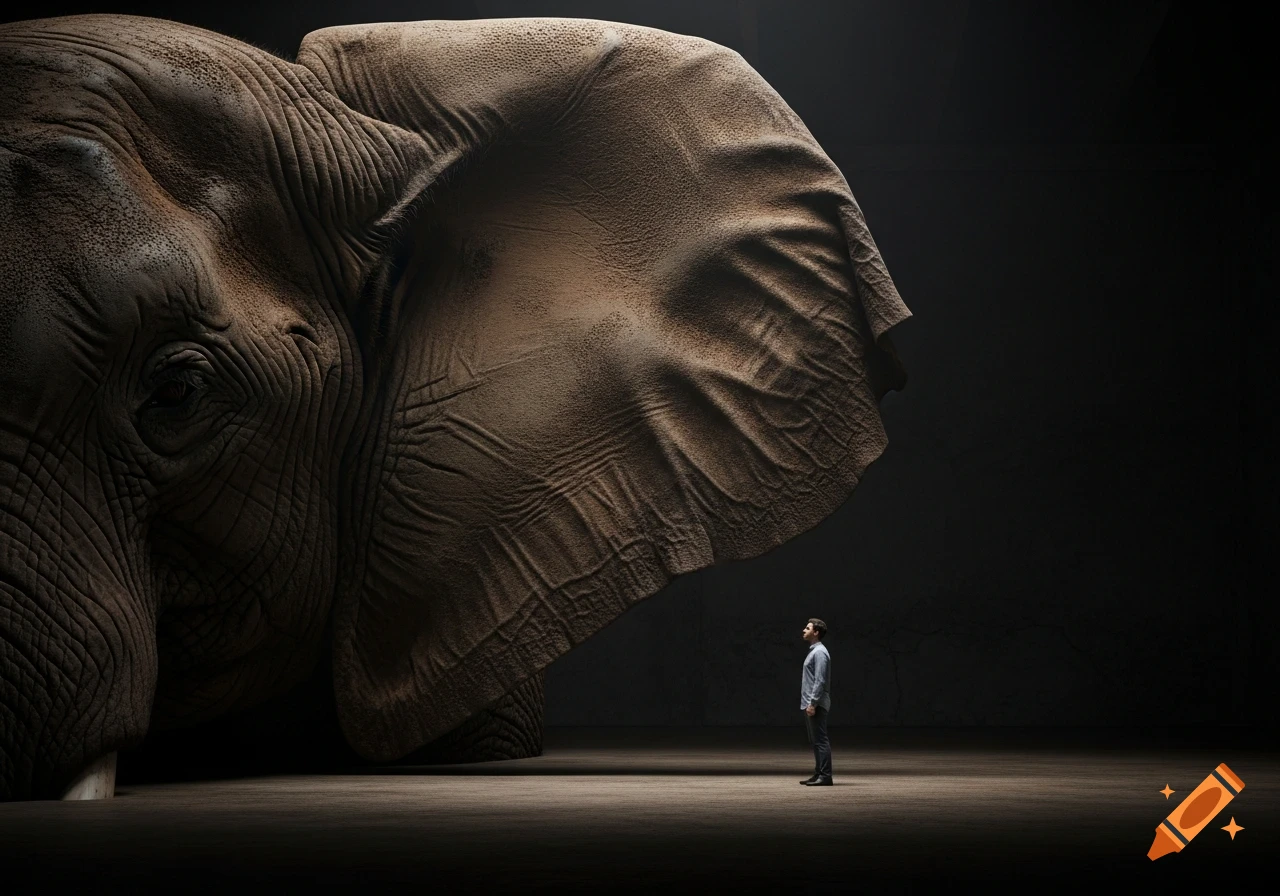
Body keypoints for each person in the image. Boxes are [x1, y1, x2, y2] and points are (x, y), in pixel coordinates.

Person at [800, 618, 832, 785]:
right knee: (816, 741)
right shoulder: (815, 651)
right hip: (811, 703)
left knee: (820, 740)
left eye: (807, 628)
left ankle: (825, 776)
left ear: (816, 632)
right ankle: (819, 773)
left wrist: (813, 703)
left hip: (816, 704)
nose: (804, 630)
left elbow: (819, 680)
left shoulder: (819, 652)